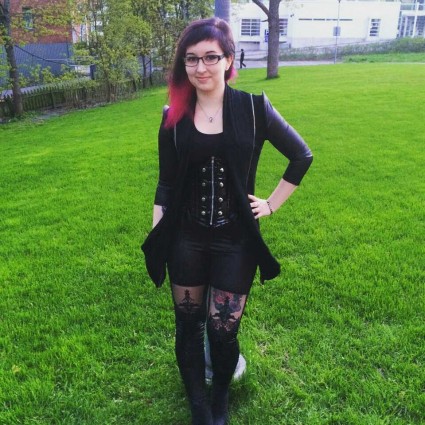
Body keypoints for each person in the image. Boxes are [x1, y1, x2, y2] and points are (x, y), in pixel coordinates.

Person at [142, 17, 313, 425]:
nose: (200, 67)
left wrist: (271, 204)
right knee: (188, 326)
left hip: (236, 241)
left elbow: (301, 155)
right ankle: (199, 407)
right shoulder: (173, 116)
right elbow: (166, 184)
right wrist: (159, 234)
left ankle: (219, 398)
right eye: (191, 59)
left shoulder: (254, 109)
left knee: (223, 331)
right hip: (185, 239)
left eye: (210, 57)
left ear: (229, 60)